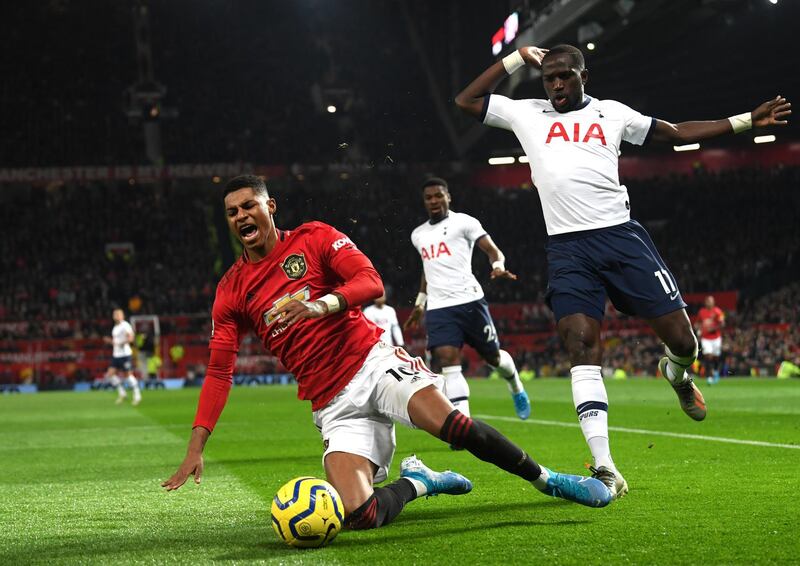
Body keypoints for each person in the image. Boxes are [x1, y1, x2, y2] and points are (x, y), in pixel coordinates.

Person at [162, 175, 614, 530]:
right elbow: (220, 372)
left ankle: (548, 480)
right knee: (359, 516)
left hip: (374, 364)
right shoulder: (232, 291)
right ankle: (420, 480)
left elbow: (370, 283)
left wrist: (318, 304)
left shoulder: (314, 238)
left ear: (269, 207)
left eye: (249, 205)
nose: (241, 215)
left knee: (454, 425)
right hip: (332, 403)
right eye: (231, 211)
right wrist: (194, 447)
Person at [455, 44, 791, 499]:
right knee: (580, 343)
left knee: (683, 342)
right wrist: (516, 58)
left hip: (621, 239)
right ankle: (606, 466)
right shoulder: (525, 113)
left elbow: (674, 132)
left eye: (564, 77)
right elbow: (467, 101)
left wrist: (747, 121)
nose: (555, 85)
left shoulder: (612, 114)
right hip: (568, 249)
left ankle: (676, 373)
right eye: (549, 78)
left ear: (583, 77)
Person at [404, 178, 531, 421]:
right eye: (429, 197)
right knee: (448, 360)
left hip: (470, 302)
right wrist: (420, 303)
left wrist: (498, 266)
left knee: (493, 358)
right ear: (424, 202)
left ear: (448, 197)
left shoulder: (464, 222)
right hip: (440, 307)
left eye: (438, 195)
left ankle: (515, 385)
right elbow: (427, 269)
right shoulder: (418, 235)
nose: (434, 200)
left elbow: (492, 250)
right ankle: (464, 426)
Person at [103, 308, 141, 406]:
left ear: (122, 316)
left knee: (128, 375)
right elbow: (116, 342)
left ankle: (137, 395)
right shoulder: (115, 327)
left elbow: (131, 338)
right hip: (116, 355)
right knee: (110, 374)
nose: (116, 316)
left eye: (118, 314)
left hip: (125, 354)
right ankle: (122, 393)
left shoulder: (125, 325)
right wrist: (110, 341)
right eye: (114, 314)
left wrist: (121, 342)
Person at [696, 295, 726, 384]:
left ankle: (716, 371)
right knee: (708, 356)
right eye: (707, 301)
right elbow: (698, 322)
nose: (709, 302)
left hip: (716, 338)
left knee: (716, 357)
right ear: (705, 302)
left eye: (710, 301)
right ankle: (709, 376)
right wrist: (698, 328)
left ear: (713, 302)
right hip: (706, 338)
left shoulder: (718, 311)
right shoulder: (701, 312)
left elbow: (722, 324)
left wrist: (713, 328)